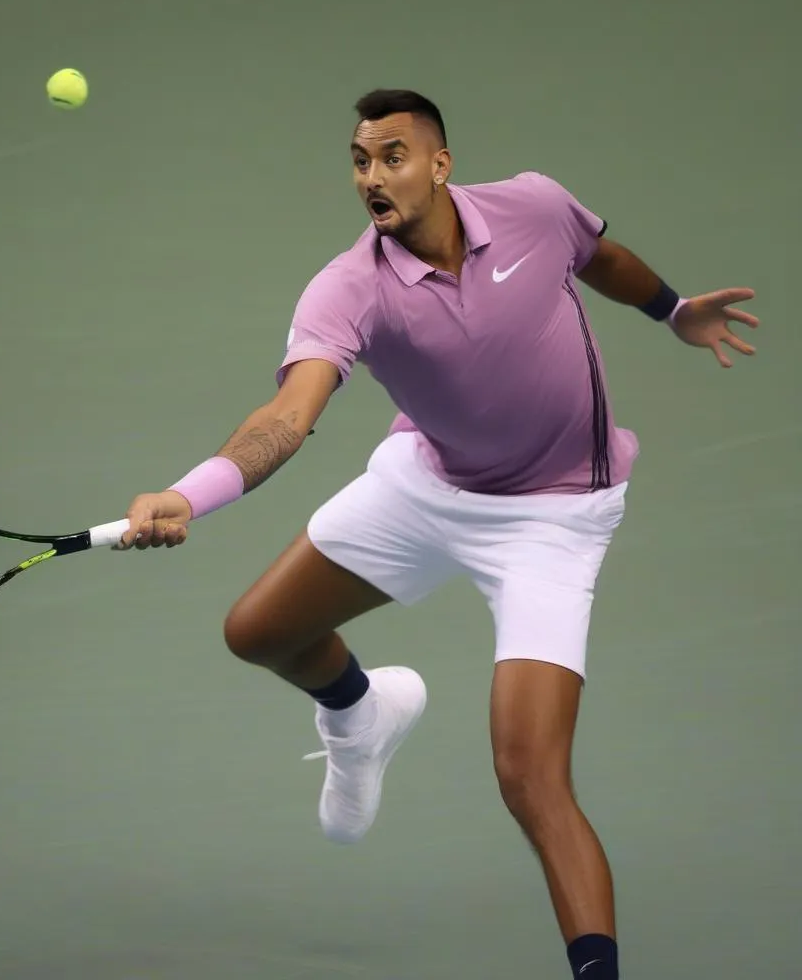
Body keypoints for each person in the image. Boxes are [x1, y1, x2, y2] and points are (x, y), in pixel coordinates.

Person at [116, 89, 758, 979]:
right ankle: (361, 713)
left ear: (439, 165)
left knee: (530, 779)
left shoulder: (532, 206)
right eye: (357, 160)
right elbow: (288, 415)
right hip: (428, 482)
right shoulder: (349, 287)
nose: (370, 177)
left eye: (391, 156)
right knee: (257, 631)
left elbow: (599, 255)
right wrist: (193, 493)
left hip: (555, 520)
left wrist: (675, 309)